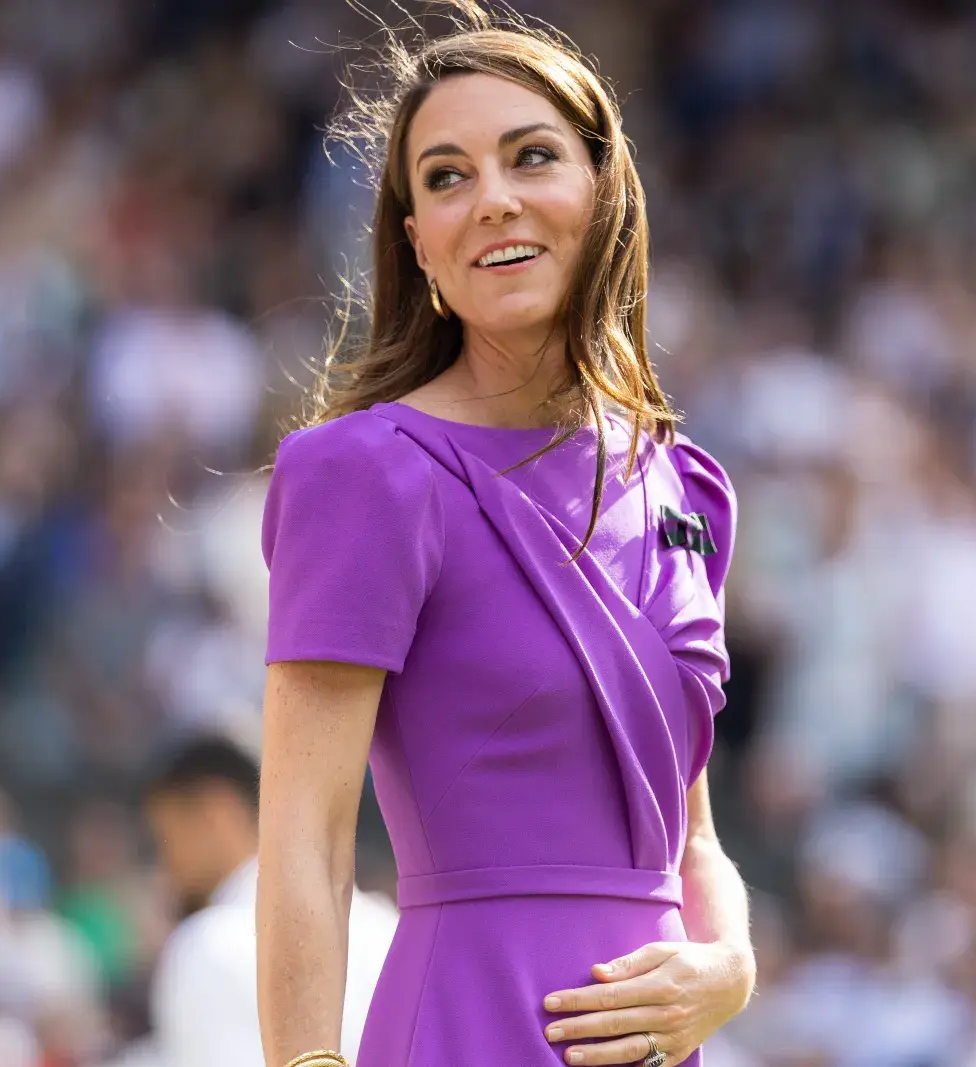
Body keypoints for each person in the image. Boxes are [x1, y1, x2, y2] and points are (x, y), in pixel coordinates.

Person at [255, 5, 756, 1066]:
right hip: (466, 1020)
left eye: (531, 157)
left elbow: (693, 837)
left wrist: (731, 965)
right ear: (418, 244)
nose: (492, 199)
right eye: (447, 177)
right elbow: (306, 837)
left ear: (603, 190)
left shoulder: (683, 483)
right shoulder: (364, 472)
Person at [144, 735, 397, 1067]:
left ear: (215, 813)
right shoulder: (384, 923)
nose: (164, 864)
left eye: (166, 836)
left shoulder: (209, 944)